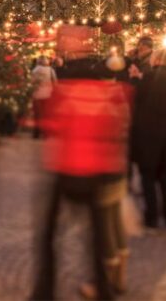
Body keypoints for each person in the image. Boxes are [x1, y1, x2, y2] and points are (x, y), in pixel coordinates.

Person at [32, 54, 129, 301]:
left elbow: (50, 125)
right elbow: (118, 130)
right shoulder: (110, 94)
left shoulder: (64, 92)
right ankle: (104, 290)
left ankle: (45, 291)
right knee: (95, 239)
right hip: (97, 172)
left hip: (66, 170)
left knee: (49, 235)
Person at [130, 47, 166, 229]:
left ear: (156, 59)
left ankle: (152, 216)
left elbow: (138, 99)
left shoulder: (150, 78)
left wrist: (135, 79)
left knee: (148, 178)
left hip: (148, 135)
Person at [30, 55, 57, 139]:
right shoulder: (50, 70)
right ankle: (45, 133)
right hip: (47, 94)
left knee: (37, 115)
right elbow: (55, 82)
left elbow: (31, 82)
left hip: (37, 94)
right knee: (46, 115)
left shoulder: (34, 70)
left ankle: (36, 133)